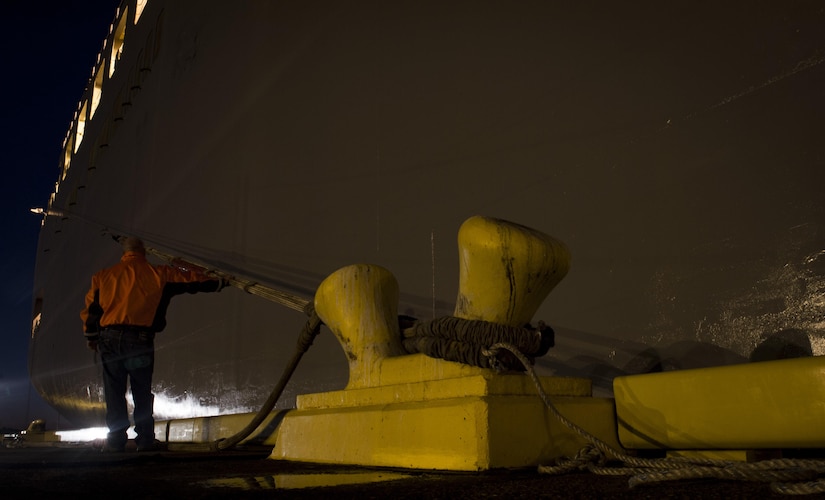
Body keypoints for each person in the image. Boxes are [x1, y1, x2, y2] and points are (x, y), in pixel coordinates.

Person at [80, 237, 226, 452]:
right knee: (141, 391)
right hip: (139, 340)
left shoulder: (103, 276)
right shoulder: (160, 274)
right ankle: (145, 441)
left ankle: (115, 441)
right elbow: (193, 281)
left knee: (114, 391)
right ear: (144, 252)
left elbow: (92, 310)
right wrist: (223, 281)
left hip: (109, 339)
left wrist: (91, 337)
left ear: (124, 252)